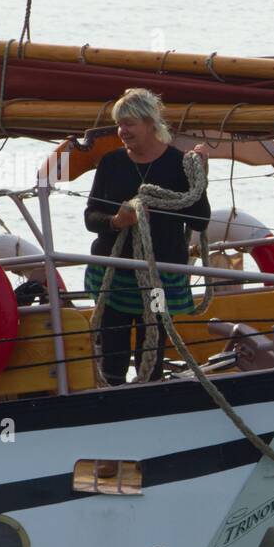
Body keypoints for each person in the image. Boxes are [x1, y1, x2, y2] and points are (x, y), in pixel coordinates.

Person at [83, 88, 211, 384]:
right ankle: (112, 398)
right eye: (119, 124)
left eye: (129, 124)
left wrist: (199, 178)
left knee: (151, 340)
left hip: (158, 280)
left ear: (150, 123)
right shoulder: (111, 163)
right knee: (112, 345)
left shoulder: (180, 164)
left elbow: (200, 219)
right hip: (115, 278)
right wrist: (117, 220)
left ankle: (149, 393)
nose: (122, 131)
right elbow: (91, 217)